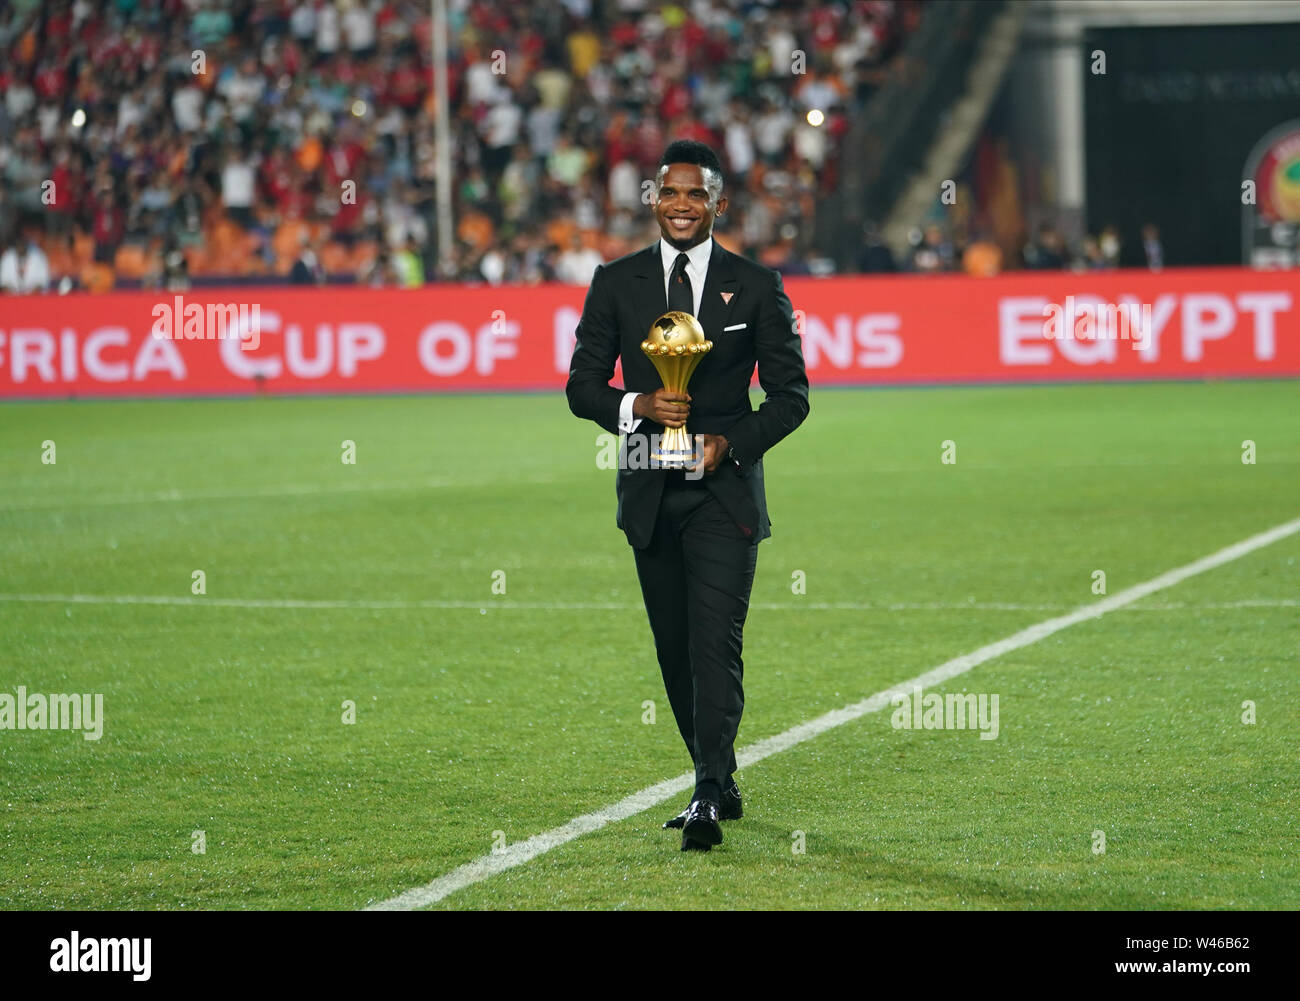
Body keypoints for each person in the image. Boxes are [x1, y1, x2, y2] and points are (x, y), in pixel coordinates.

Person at [566, 140, 810, 852]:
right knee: (674, 646)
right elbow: (582, 385)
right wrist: (636, 403)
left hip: (724, 492)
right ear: (652, 199)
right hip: (648, 482)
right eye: (669, 193)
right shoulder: (616, 282)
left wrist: (729, 444)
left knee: (713, 640)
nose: (680, 205)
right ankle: (720, 774)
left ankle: (706, 790)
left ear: (717, 204)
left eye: (694, 195)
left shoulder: (757, 285)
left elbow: (791, 398)